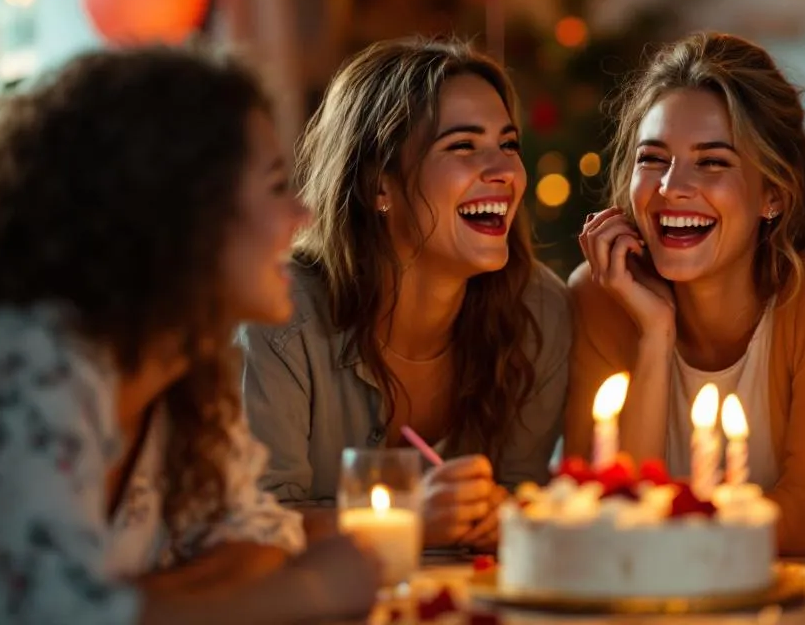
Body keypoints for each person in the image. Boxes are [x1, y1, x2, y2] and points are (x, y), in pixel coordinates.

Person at [0, 46, 382, 625]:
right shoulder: (28, 362)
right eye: (276, 188)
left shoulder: (183, 374)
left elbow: (257, 538)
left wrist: (145, 600)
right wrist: (307, 594)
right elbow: (44, 615)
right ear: (183, 213)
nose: (303, 216)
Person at [241, 38, 570, 550]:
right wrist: (405, 518)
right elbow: (252, 531)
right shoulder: (278, 316)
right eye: (463, 146)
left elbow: (521, 499)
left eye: (508, 145)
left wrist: (504, 513)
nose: (504, 171)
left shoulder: (538, 312)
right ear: (379, 185)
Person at [567, 32, 805, 556]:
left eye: (712, 162)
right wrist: (655, 332)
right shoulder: (602, 293)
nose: (671, 187)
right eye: (652, 158)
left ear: (773, 193)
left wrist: (652, 530)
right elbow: (602, 519)